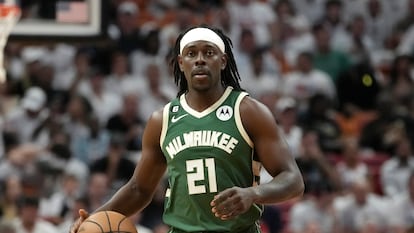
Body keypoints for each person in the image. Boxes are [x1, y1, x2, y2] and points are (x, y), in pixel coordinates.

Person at [70, 25, 304, 233]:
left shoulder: (248, 111)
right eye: (192, 53)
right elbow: (139, 189)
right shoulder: (162, 120)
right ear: (181, 63)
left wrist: (254, 194)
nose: (200, 59)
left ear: (222, 61)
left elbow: (293, 180)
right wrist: (94, 218)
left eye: (208, 52)